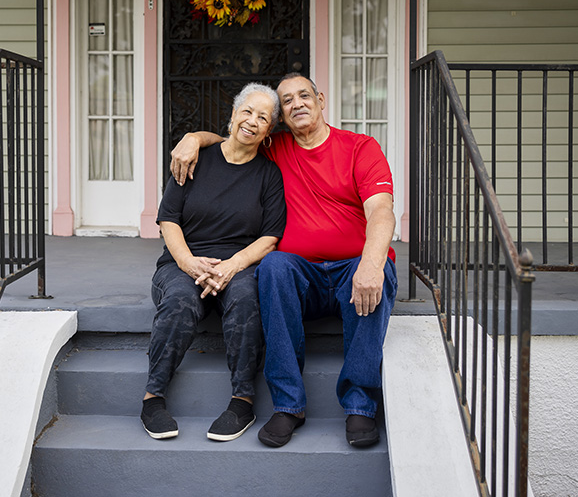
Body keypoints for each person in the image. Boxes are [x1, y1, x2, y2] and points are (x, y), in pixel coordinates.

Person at [170, 73, 397, 448]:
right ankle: (288, 405)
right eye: (287, 101)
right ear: (280, 119)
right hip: (301, 274)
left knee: (380, 269)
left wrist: (370, 263)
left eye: (304, 95)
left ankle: (360, 406)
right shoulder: (275, 147)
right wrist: (193, 138)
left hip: (351, 269)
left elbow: (381, 211)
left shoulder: (360, 147)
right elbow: (232, 140)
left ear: (320, 100)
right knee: (273, 267)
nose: (297, 104)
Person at [142, 83, 286, 442]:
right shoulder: (194, 159)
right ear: (233, 114)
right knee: (179, 299)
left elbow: (270, 237)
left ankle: (242, 402)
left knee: (246, 298)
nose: (252, 121)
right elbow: (168, 220)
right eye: (247, 111)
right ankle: (153, 398)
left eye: (263, 118)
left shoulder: (269, 175)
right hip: (183, 261)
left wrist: (230, 266)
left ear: (269, 131)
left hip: (238, 265)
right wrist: (189, 263)